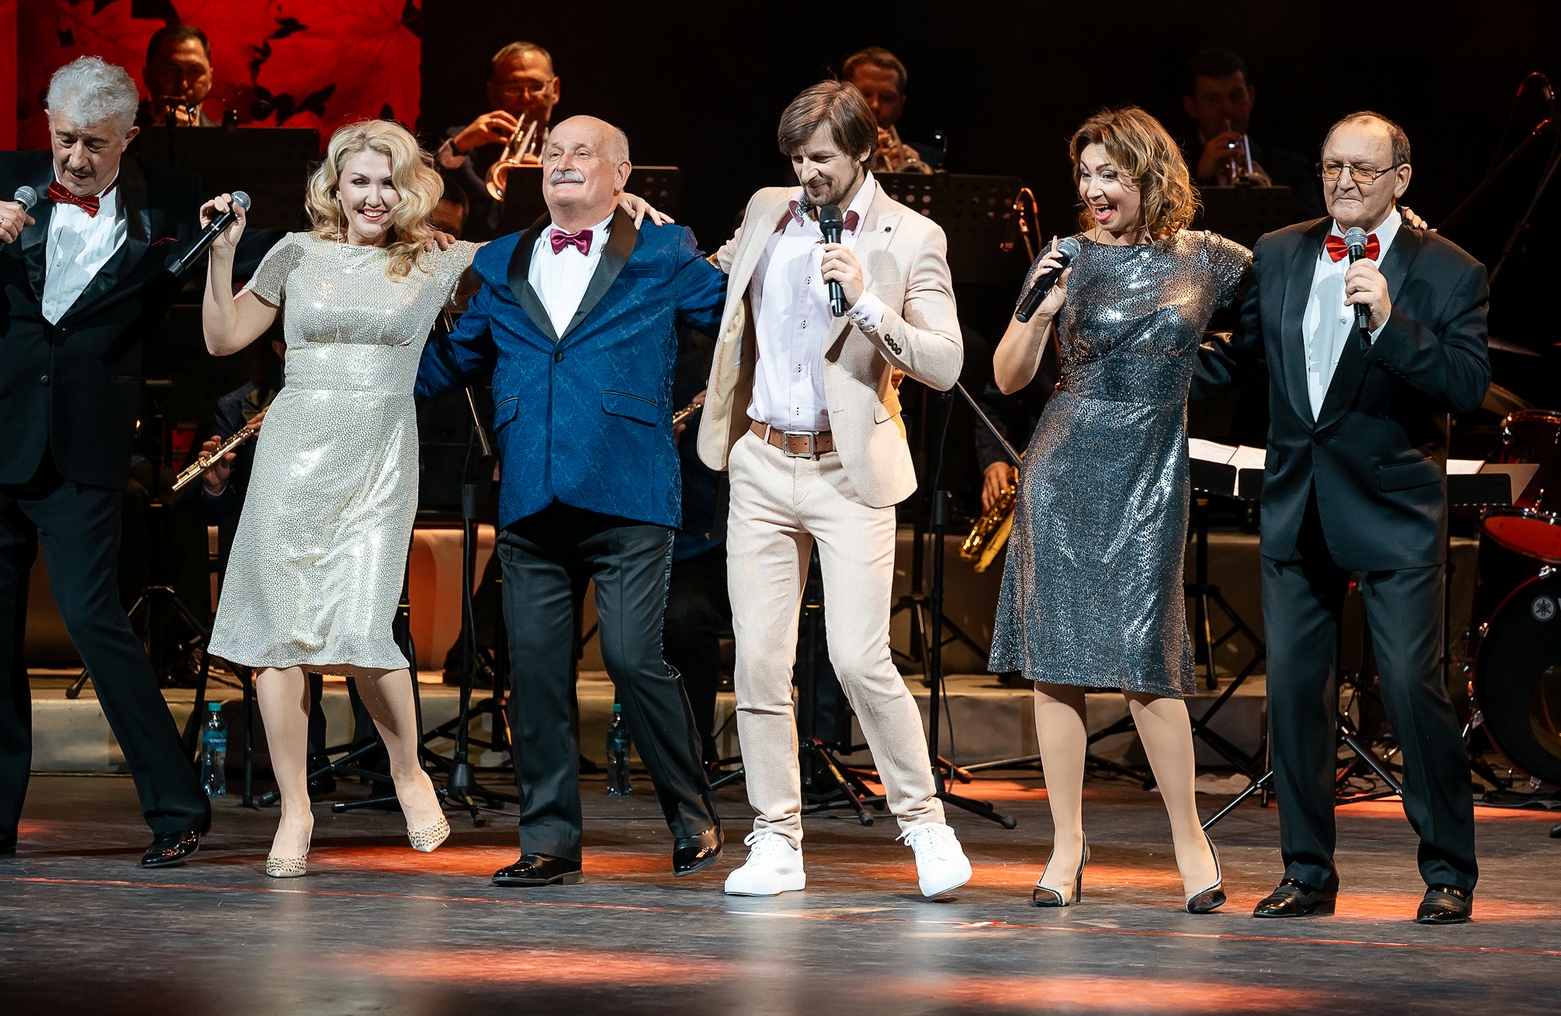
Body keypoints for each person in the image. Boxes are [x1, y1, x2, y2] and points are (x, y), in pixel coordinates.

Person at [0, 55, 210, 868]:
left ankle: (177, 810)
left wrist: (235, 219)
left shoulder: (170, 198)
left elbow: (243, 249)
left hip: (84, 446)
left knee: (97, 620)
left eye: (95, 144)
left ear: (129, 137)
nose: (76, 158)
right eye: (66, 138)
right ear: (47, 125)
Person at [416, 115, 727, 887]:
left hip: (628, 491)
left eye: (580, 152)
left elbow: (737, 321)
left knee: (631, 657)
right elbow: (453, 362)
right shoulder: (500, 259)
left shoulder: (662, 252)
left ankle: (692, 812)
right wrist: (365, 349)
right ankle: (549, 841)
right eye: (552, 152)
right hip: (531, 492)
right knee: (535, 675)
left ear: (620, 175)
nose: (561, 161)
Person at [1197, 111, 1488, 926]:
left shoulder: (1449, 270)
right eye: (1332, 166)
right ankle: (1305, 874)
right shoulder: (1279, 252)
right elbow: (1241, 355)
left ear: (1400, 179)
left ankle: (1447, 872)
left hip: (1393, 509)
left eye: (1363, 168)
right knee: (1295, 696)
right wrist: (1150, 362)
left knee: (1410, 689)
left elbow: (1466, 386)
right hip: (1297, 503)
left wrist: (1391, 323)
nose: (1344, 181)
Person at [698, 80, 973, 900]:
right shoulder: (766, 210)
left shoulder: (912, 234)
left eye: (820, 157)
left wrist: (866, 304)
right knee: (758, 661)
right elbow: (710, 278)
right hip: (760, 459)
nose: (805, 173)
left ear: (863, 151)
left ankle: (923, 824)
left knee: (857, 657)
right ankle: (775, 838)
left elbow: (945, 363)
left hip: (847, 469)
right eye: (795, 158)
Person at [199, 119, 479, 877]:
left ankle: (407, 772)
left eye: (389, 182)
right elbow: (223, 338)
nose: (374, 196)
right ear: (335, 186)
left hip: (378, 458)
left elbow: (543, 262)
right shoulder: (295, 252)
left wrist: (623, 218)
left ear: (411, 190)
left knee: (361, 628)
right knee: (277, 638)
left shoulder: (437, 258)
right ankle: (295, 808)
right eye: (360, 181)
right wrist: (223, 251)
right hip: (291, 458)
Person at [986, 107, 1248, 911]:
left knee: (1146, 658)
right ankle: (1066, 845)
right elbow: (1005, 376)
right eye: (1085, 175)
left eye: (1110, 173)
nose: (1093, 189)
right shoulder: (1064, 256)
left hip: (1149, 467)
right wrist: (1039, 307)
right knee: (1056, 664)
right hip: (1063, 465)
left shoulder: (1209, 259)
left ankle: (1189, 838)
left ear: (1149, 173)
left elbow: (1272, 318)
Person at [432, 41, 562, 239]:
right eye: (513, 87)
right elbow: (421, 189)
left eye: (536, 86)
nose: (526, 98)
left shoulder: (570, 149)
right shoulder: (462, 143)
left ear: (555, 90)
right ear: (492, 92)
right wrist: (458, 146)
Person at [1181, 47, 1315, 219]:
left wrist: (1271, 192)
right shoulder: (1174, 169)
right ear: (1191, 107)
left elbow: (1317, 226)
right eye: (1213, 100)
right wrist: (1196, 179)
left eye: (1236, 96)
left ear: (1250, 97)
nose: (1227, 108)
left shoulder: (1291, 167)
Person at [841, 47, 940, 173]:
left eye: (887, 97)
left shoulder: (931, 159)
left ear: (901, 105)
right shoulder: (819, 150)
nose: (875, 105)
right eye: (865, 95)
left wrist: (919, 177)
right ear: (842, 97)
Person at [140, 24, 222, 127]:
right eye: (171, 71)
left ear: (210, 78)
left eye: (195, 72)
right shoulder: (122, 133)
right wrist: (156, 133)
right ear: (147, 76)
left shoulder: (225, 137)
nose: (183, 84)